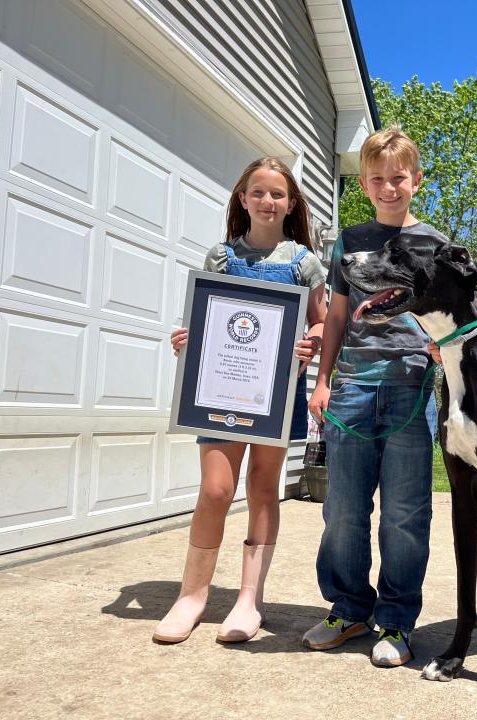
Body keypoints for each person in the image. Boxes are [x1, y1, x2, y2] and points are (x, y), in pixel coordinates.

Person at [153, 157, 327, 644]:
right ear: (242, 199)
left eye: (277, 194)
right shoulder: (221, 258)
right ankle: (192, 596)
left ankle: (249, 600)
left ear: (291, 204)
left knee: (263, 486)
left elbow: (320, 320)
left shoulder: (303, 263)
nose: (268, 201)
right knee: (214, 490)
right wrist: (189, 340)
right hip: (219, 391)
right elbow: (205, 316)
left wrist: (309, 342)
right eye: (258, 192)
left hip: (275, 392)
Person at [303, 127, 442, 667]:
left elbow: (449, 314)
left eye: (399, 178)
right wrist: (322, 381)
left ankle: (397, 621)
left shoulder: (433, 243)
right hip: (352, 388)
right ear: (364, 184)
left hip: (410, 385)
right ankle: (349, 608)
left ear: (416, 180)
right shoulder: (350, 241)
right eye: (378, 179)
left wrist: (438, 347)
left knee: (405, 513)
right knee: (343, 508)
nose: (389, 187)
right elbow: (335, 317)